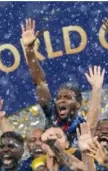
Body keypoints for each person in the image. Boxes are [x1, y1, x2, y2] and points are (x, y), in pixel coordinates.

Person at [22, 18, 85, 146]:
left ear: (78, 104)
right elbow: (40, 82)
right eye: (59, 98)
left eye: (67, 97)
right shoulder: (52, 113)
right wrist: (29, 50)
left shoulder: (83, 127)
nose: (61, 100)